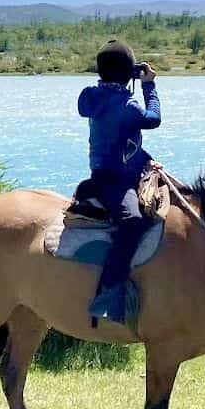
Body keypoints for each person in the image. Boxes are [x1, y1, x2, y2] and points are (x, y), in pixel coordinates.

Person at [77, 40, 161, 323]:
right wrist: (149, 86)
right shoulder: (127, 104)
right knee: (132, 221)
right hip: (115, 180)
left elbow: (120, 139)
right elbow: (153, 119)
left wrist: (144, 159)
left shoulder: (93, 97)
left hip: (111, 171)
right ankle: (108, 296)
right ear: (129, 73)